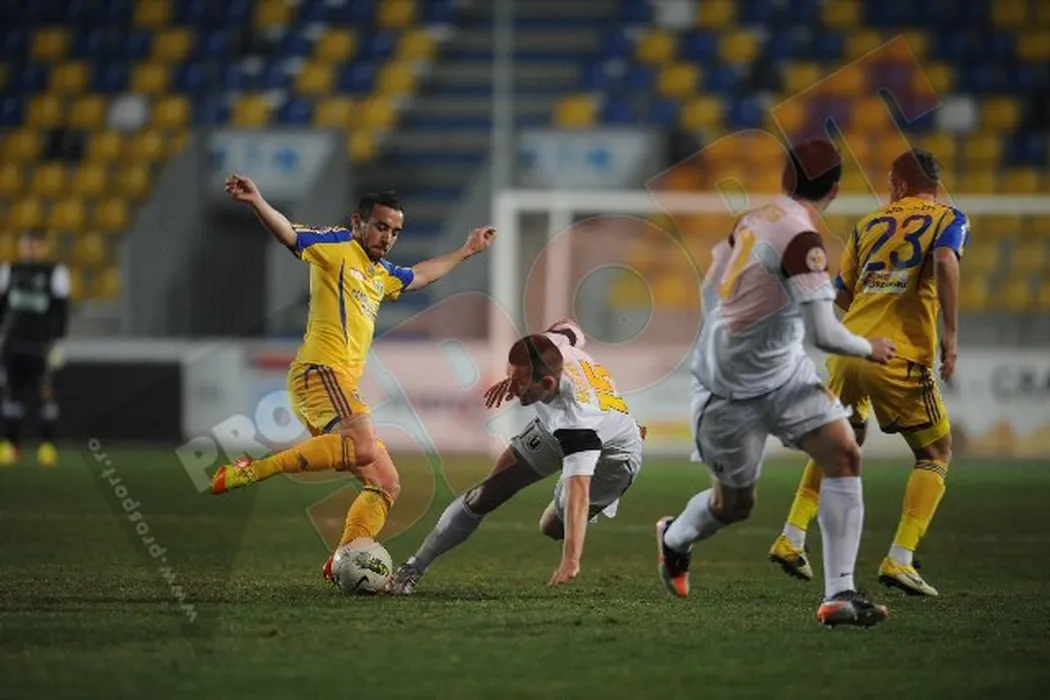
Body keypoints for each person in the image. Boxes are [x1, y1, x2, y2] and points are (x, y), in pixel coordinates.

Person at [655, 140, 897, 628]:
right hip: (728, 393)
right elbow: (823, 334)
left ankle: (839, 595)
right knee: (733, 506)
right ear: (835, 189)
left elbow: (710, 283)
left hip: (785, 377)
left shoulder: (755, 216)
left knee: (843, 453)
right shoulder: (802, 240)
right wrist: (869, 347)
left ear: (786, 179)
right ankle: (674, 539)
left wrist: (725, 331)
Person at [211, 176, 495, 579]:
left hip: (340, 382)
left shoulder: (380, 273)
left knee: (386, 483)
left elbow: (420, 275)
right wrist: (256, 199)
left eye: (395, 231)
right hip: (319, 371)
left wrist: (467, 250)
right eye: (381, 227)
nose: (388, 237)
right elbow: (289, 234)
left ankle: (344, 556)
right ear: (358, 222)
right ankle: (254, 468)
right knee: (362, 445)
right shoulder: (337, 245)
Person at [769, 149, 966, 597]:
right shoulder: (949, 219)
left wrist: (875, 301)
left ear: (901, 184)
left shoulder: (869, 224)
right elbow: (946, 261)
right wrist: (951, 337)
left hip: (848, 347)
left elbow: (842, 292)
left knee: (842, 442)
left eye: (890, 183)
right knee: (935, 453)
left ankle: (792, 535)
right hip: (898, 354)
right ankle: (900, 558)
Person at [389, 319, 645, 593]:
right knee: (486, 493)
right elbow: (569, 328)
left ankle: (581, 470)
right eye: (510, 376)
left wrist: (571, 559)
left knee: (552, 527)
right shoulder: (552, 347)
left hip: (612, 460)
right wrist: (516, 378)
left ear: (546, 382)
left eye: (520, 383)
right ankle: (414, 567)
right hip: (557, 429)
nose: (512, 389)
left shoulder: (577, 422)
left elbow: (579, 492)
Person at [0, 229, 70, 467]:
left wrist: (58, 342)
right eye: (26, 245)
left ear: (44, 247)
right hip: (13, 345)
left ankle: (47, 446)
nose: (30, 250)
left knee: (45, 395)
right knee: (12, 396)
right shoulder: (10, 271)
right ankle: (10, 445)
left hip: (41, 345)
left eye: (35, 245)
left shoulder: (55, 273)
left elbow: (61, 311)